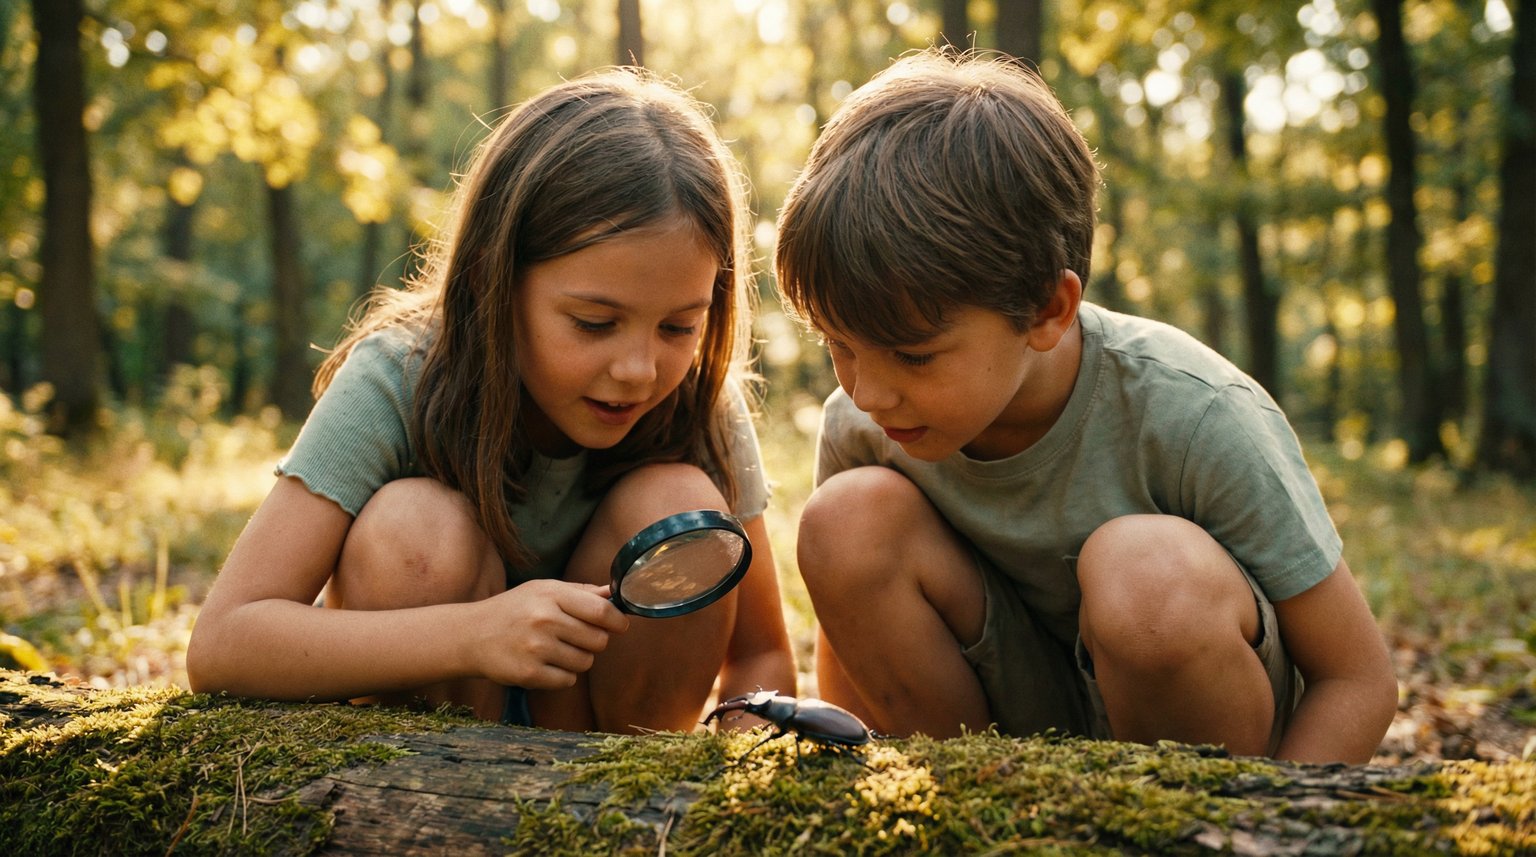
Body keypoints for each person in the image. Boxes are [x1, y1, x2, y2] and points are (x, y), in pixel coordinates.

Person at [773, 49, 1396, 763]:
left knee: (1144, 574)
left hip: (1207, 725)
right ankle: (978, 805)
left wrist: (1276, 823)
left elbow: (1358, 678)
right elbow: (853, 646)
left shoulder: (1193, 413)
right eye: (838, 344)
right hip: (1005, 733)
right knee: (845, 520)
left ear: (1047, 309)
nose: (867, 390)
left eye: (913, 355)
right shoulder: (866, 425)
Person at [186, 68, 796, 734]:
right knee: (411, 527)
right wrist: (475, 635)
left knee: (678, 506)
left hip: (613, 762)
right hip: (431, 747)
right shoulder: (398, 375)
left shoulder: (698, 399)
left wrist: (739, 770)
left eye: (679, 326)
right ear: (493, 280)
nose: (639, 369)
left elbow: (762, 652)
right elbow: (224, 642)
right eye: (594, 322)